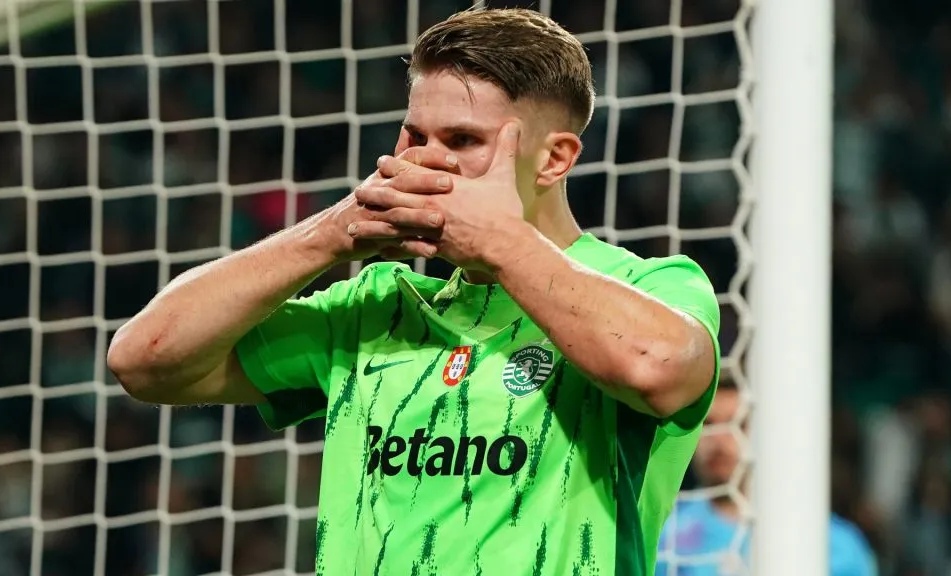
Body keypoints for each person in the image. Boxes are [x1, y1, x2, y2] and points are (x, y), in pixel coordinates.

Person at [108, 7, 721, 575]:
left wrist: (503, 245)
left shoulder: (651, 286)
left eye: (463, 141)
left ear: (554, 159)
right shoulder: (374, 309)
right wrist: (330, 235)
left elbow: (658, 367)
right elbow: (144, 359)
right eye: (416, 137)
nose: (428, 163)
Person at [655, 382, 877, 576]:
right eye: (708, 423)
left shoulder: (834, 545)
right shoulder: (662, 531)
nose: (719, 438)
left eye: (739, 423)